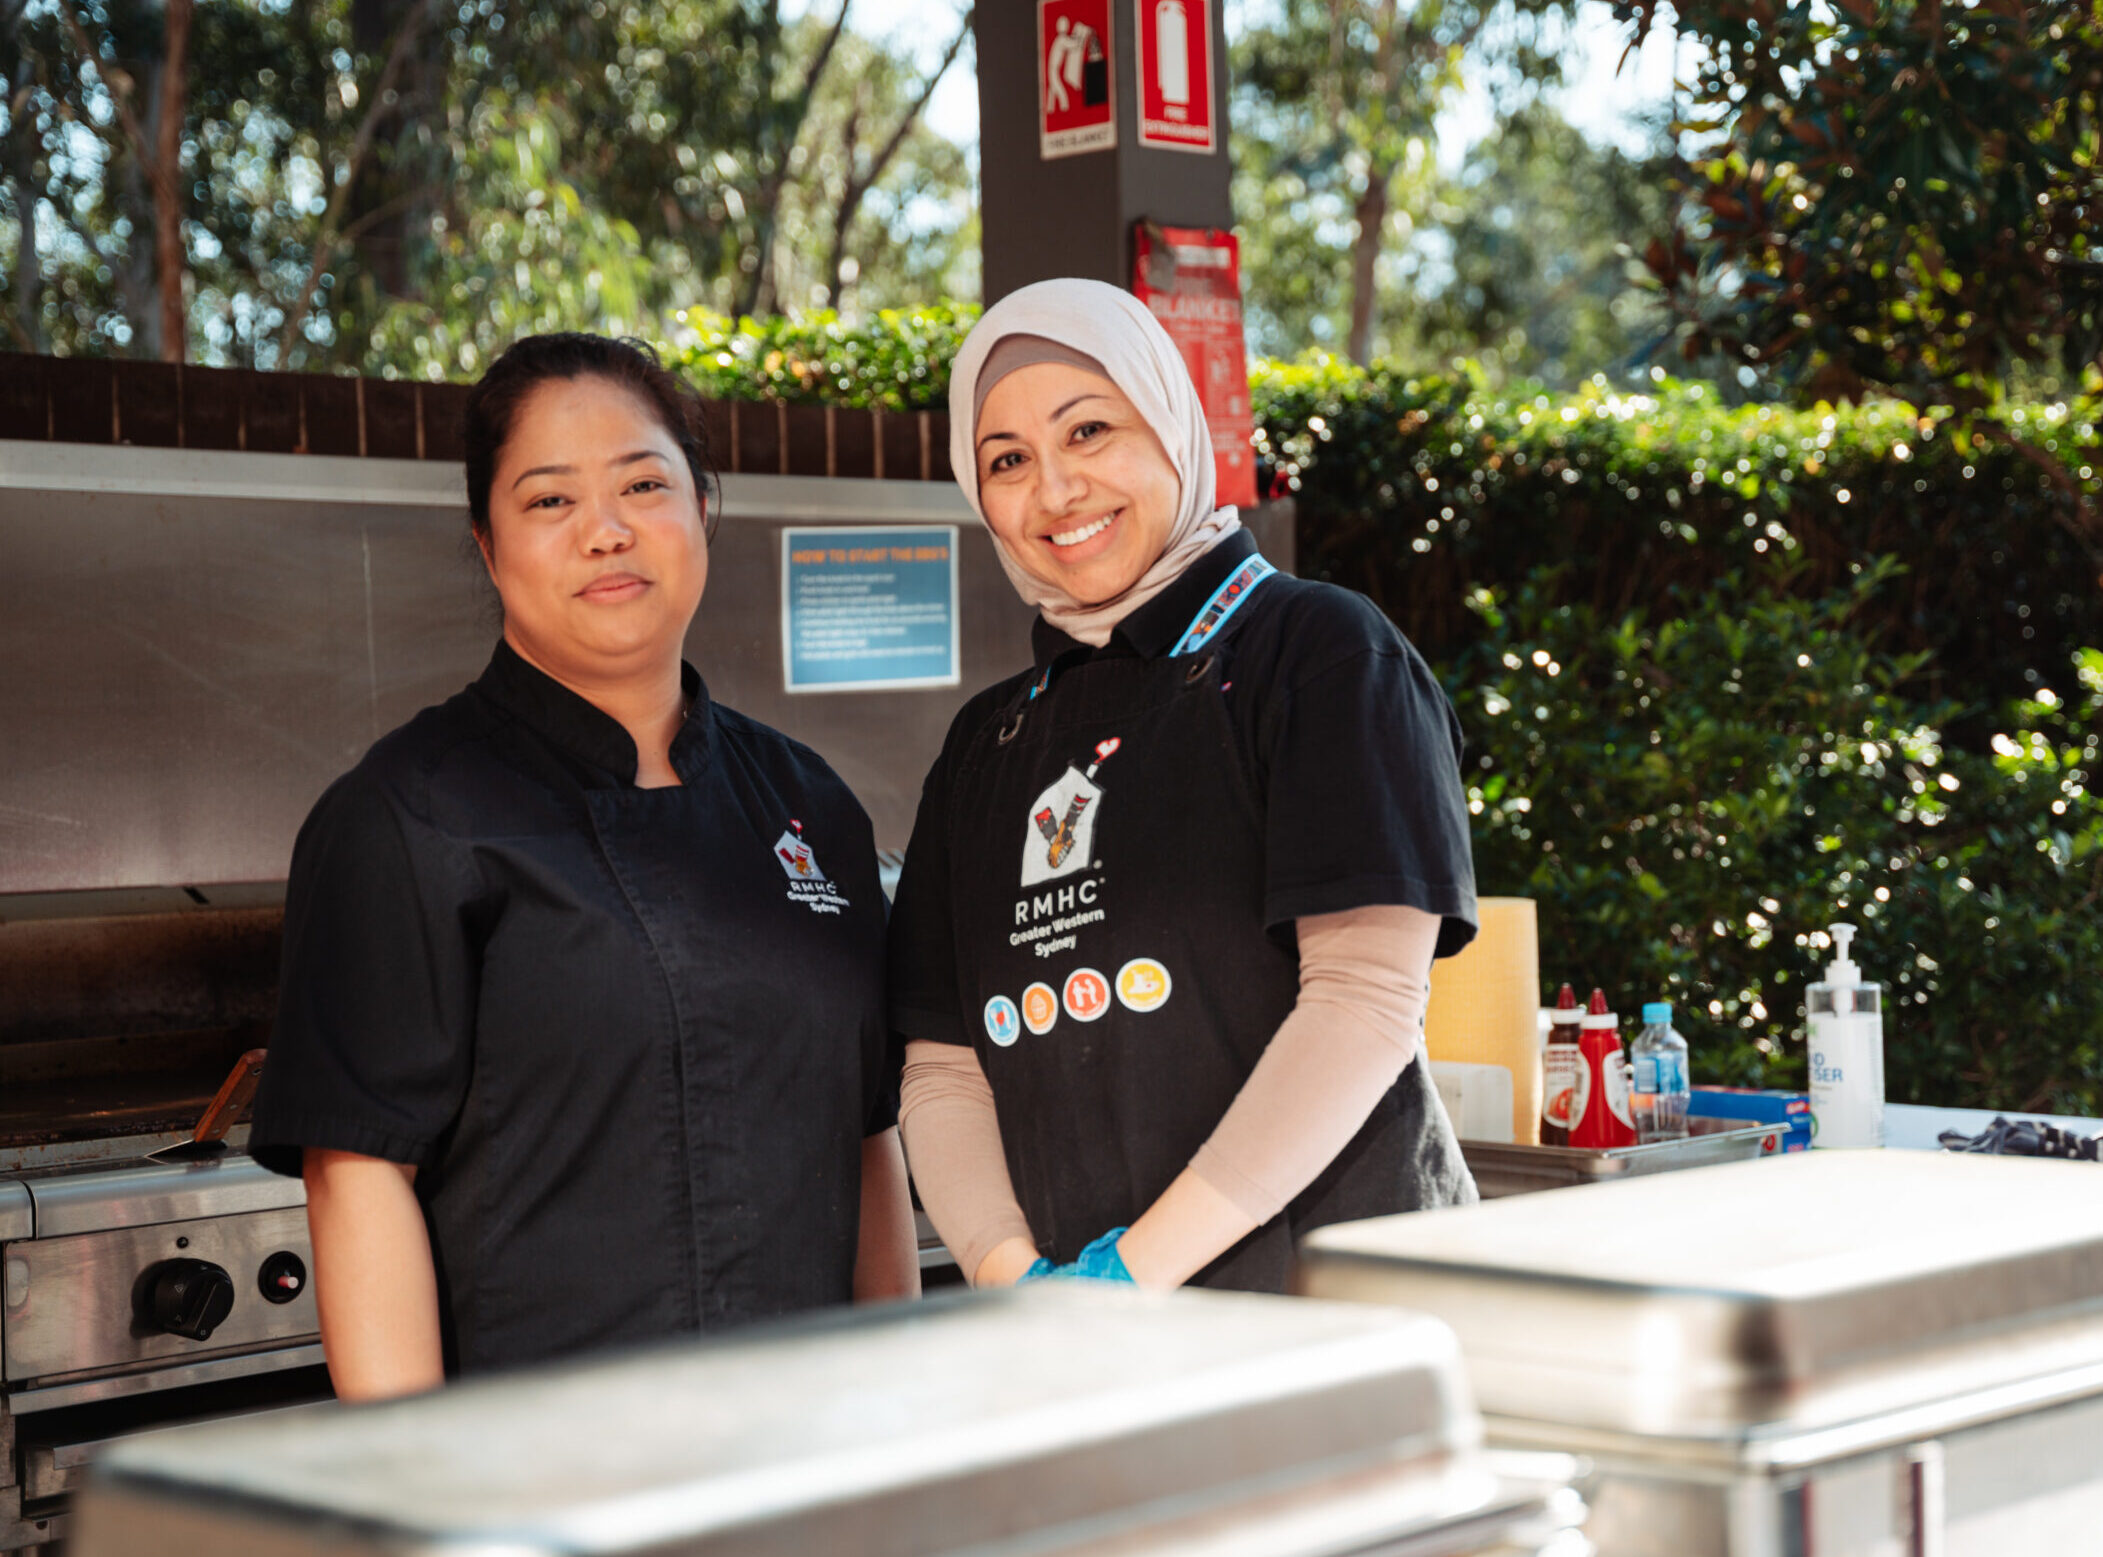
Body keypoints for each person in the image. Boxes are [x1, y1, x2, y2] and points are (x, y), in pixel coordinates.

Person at [249, 334, 918, 1399]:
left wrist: (903, 1424)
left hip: (812, 1455)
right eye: (550, 502)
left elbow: (867, 1138)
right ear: (486, 545)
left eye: (644, 484)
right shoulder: (406, 815)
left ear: (705, 507)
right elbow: (358, 1180)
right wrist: (428, 1503)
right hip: (549, 1480)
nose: (607, 533)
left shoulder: (808, 804)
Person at [887, 279, 1478, 1293]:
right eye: (1009, 461)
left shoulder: (1321, 654)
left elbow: (1366, 1001)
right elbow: (941, 1068)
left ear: (1170, 424)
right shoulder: (988, 745)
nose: (1058, 490)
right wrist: (1013, 1280)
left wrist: (1133, 1275)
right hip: (1102, 1366)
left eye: (1090, 431)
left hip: (1346, 1325)